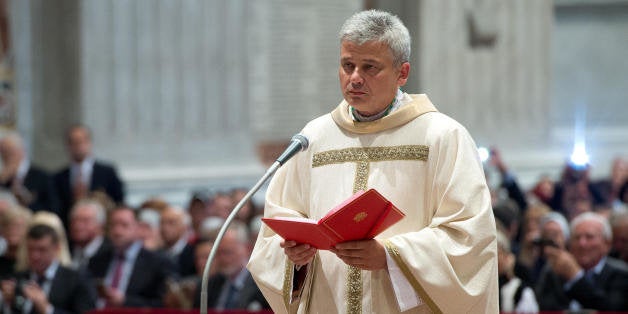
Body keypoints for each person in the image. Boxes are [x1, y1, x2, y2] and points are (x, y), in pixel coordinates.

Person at [247, 10, 498, 313]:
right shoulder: (313, 139)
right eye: (347, 65)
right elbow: (276, 231)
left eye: (370, 67)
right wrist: (295, 256)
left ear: (402, 73)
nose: (354, 78)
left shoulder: (442, 137)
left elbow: (469, 239)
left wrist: (390, 256)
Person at [535, 212, 628, 311]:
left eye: (589, 237)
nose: (582, 243)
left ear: (607, 244)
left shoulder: (621, 273)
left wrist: (575, 277)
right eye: (577, 237)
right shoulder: (554, 271)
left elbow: (611, 309)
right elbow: (544, 308)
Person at [87, 206, 176, 308]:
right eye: (113, 225)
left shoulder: (158, 263)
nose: (117, 231)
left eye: (124, 225)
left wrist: (126, 301)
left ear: (138, 228)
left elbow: (164, 305)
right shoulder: (96, 261)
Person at [0, 223, 96, 314]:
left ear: (56, 248)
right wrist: (7, 303)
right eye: (31, 249)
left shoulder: (76, 280)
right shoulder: (18, 278)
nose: (35, 256)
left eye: (42, 250)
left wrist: (47, 309)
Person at [53, 124, 125, 230]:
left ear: (89, 142)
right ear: (68, 145)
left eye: (81, 141)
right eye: (74, 142)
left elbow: (119, 201)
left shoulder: (107, 172)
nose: (78, 146)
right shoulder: (59, 177)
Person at [0, 133, 59, 214]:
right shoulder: (3, 178)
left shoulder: (42, 177)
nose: (6, 156)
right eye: (3, 153)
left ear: (22, 151)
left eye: (10, 152)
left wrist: (28, 201)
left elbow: (53, 208)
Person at [68, 199, 112, 270]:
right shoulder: (66, 249)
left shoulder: (111, 254)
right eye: (75, 220)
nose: (78, 226)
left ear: (101, 225)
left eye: (85, 221)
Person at [160, 205, 196, 277]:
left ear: (185, 226)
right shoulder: (156, 253)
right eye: (162, 223)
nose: (165, 228)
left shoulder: (194, 253)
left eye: (171, 222)